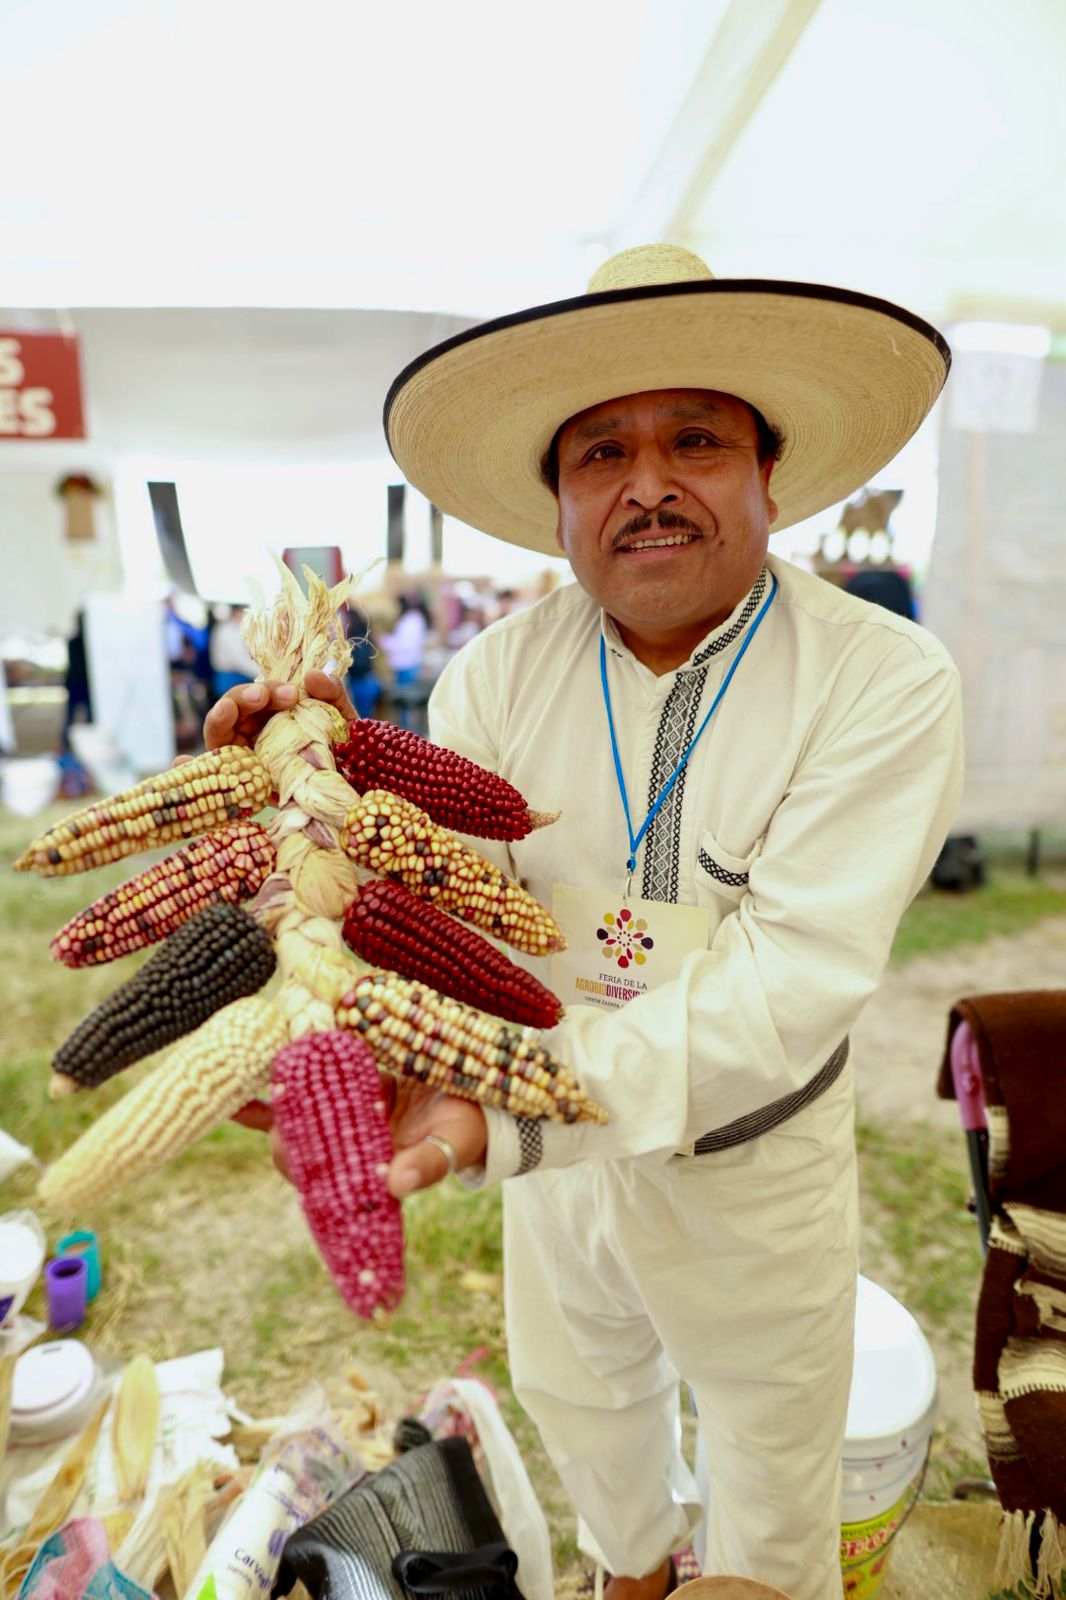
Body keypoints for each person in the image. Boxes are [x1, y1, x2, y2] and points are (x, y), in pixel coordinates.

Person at [204, 244, 963, 1600]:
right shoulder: (496, 672)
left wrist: (511, 1104)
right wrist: (299, 809)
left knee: (770, 1466)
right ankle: (627, 1571)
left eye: (695, 440)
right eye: (599, 452)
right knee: (585, 1410)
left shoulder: (879, 678)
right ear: (555, 502)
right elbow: (436, 903)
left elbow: (789, 979)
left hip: (751, 1160)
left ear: (765, 476)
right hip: (543, 1159)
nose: (648, 483)